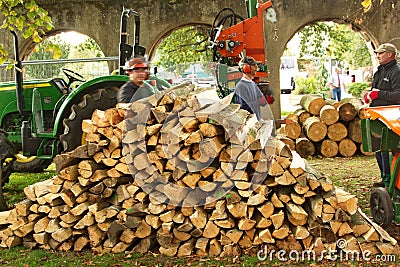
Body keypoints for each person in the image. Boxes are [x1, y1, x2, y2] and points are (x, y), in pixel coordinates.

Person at [363, 43, 400, 187]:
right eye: (377, 53)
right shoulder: (379, 71)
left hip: (390, 118)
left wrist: (379, 94)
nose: (378, 56)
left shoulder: (396, 72)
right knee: (378, 149)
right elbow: (375, 90)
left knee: (386, 151)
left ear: (390, 55)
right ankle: (384, 178)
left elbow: (398, 95)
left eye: (381, 53)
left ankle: (391, 182)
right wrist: (369, 96)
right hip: (376, 116)